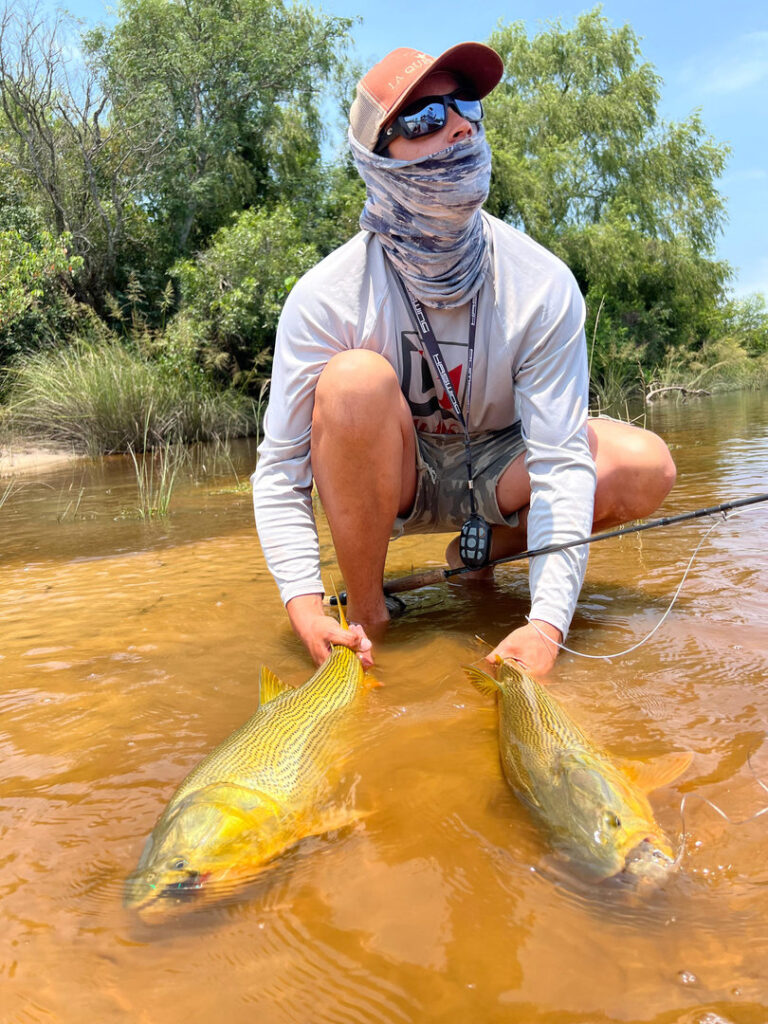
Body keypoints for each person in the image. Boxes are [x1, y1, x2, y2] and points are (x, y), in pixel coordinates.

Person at [252, 42, 676, 678]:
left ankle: (478, 556)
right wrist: (308, 609)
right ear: (377, 159)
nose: (458, 126)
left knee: (646, 465)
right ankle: (370, 617)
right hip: (402, 472)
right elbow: (281, 472)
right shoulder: (325, 297)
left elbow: (559, 464)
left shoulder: (542, 282)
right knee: (352, 385)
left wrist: (547, 625)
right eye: (424, 119)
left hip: (503, 465)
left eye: (466, 106)